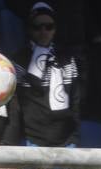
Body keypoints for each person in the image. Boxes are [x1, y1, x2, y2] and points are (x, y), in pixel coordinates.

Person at [12, 4, 81, 148]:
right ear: (29, 29)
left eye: (49, 26)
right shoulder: (19, 60)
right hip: (32, 141)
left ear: (55, 30)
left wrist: (74, 137)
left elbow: (76, 101)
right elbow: (15, 107)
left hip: (67, 141)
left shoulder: (67, 59)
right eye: (37, 27)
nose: (43, 31)